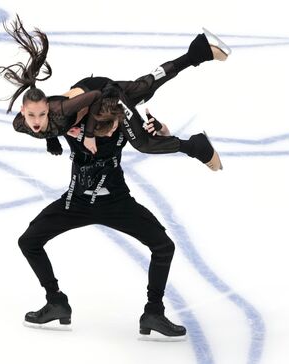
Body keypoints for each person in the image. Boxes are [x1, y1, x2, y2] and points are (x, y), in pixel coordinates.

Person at [18, 108, 189, 338]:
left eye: (114, 128)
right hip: (76, 203)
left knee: (164, 247)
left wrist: (161, 129)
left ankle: (153, 313)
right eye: (104, 130)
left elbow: (160, 141)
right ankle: (56, 301)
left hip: (118, 204)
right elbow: (35, 118)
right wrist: (49, 137)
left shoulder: (124, 127)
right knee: (28, 241)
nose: (111, 134)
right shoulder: (74, 127)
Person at [0, 15, 231, 171]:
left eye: (41, 115)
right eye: (32, 116)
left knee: (143, 143)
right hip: (88, 89)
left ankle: (195, 147)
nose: (36, 121)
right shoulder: (21, 124)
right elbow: (41, 127)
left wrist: (90, 135)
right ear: (23, 112)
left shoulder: (61, 110)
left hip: (102, 93)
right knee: (146, 86)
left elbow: (96, 97)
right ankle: (199, 51)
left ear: (47, 111)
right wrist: (50, 139)